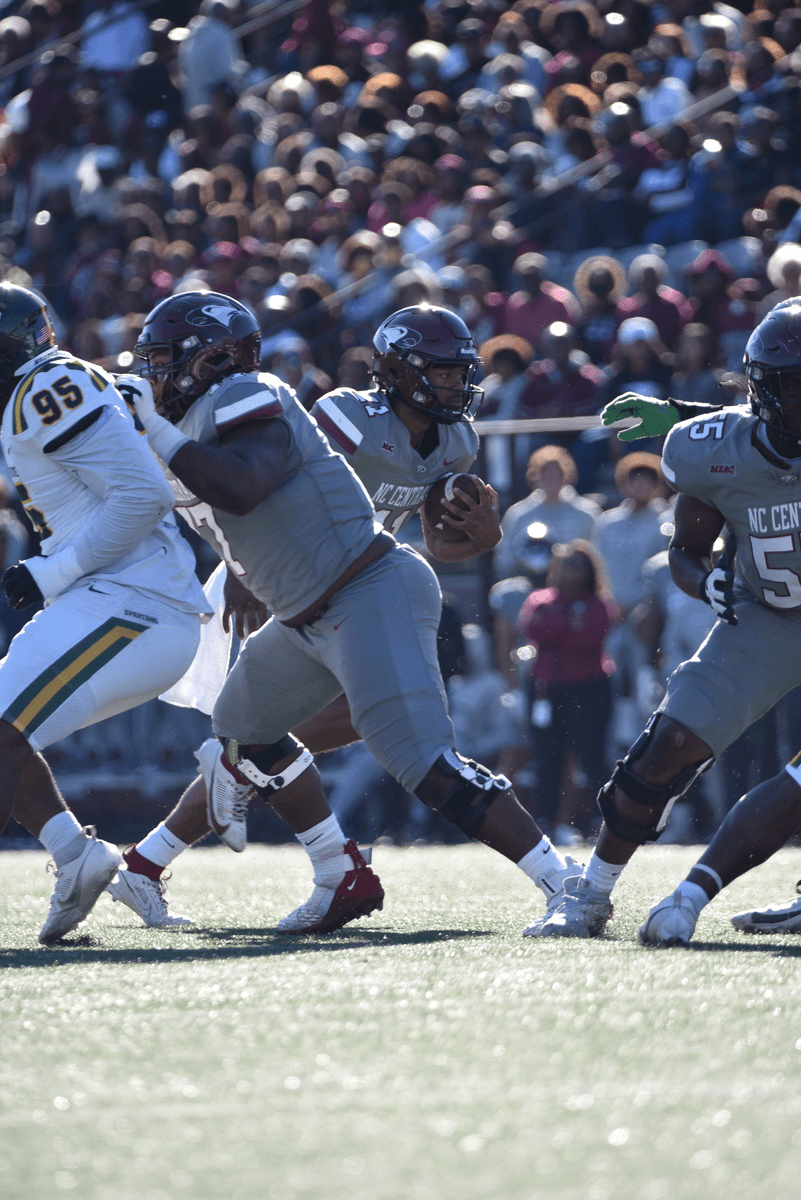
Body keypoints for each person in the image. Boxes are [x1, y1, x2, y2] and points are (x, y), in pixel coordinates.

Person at [105, 295, 578, 935]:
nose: (455, 385)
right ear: (401, 372)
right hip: (289, 592)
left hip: (367, 586)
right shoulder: (348, 418)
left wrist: (481, 537)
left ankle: (563, 881)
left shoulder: (454, 440)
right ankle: (330, 873)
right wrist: (241, 574)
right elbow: (280, 485)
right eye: (442, 372)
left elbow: (437, 539)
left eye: (456, 372)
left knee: (416, 760)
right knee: (241, 735)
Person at [529, 298, 801, 941]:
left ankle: (697, 893)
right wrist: (707, 581)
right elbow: (686, 551)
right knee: (664, 749)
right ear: (765, 389)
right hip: (766, 614)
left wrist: (680, 410)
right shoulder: (714, 450)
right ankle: (590, 894)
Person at [0, 283, 210, 943]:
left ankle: (76, 856)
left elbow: (143, 495)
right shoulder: (48, 386)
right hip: (116, 600)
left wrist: (52, 571)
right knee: (5, 731)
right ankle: (76, 855)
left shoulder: (47, 389)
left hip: (135, 604)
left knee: (1, 729)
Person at [517, 540, 616, 845]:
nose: (572, 572)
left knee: (592, 756)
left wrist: (558, 629)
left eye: (578, 565)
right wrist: (568, 623)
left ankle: (602, 821)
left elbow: (589, 638)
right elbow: (533, 630)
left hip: (588, 687)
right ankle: (545, 822)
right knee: (547, 757)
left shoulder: (598, 604)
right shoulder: (541, 599)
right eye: (566, 565)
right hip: (547, 688)